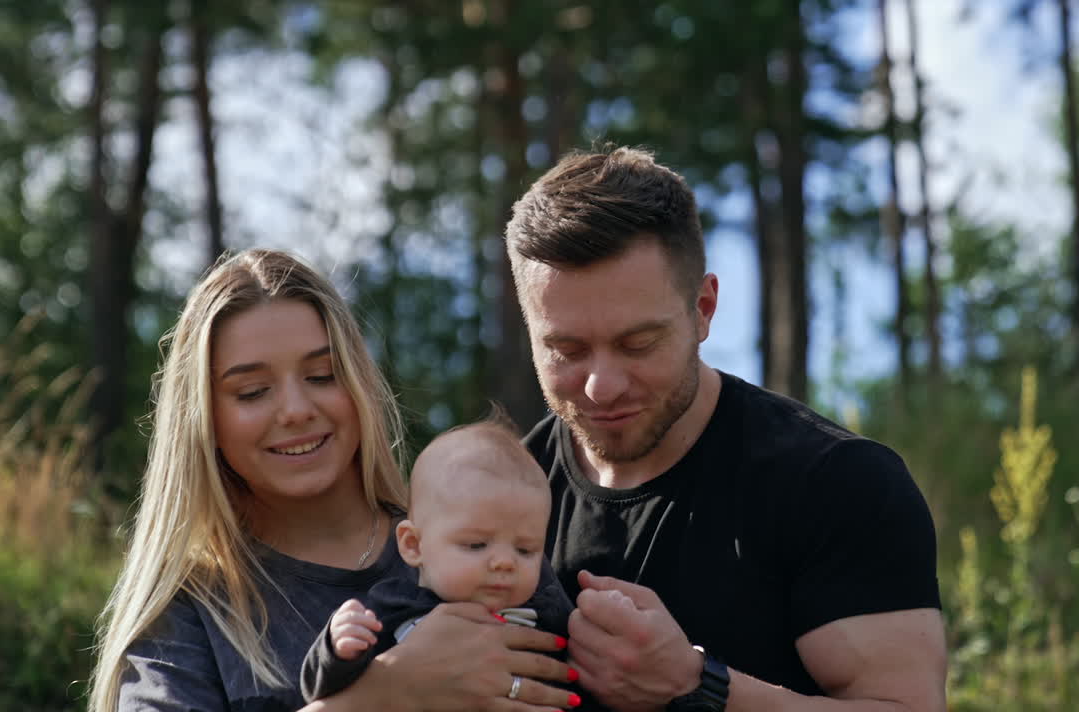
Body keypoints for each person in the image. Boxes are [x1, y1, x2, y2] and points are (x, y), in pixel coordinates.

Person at [504, 146, 948, 712]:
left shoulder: (837, 485)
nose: (602, 386)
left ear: (704, 309)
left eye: (638, 344)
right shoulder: (503, 492)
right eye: (566, 350)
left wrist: (698, 686)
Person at [87, 249, 576, 712]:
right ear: (204, 420)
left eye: (322, 376)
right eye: (253, 391)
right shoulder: (188, 611)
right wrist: (385, 694)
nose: (297, 410)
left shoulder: (479, 538)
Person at [300, 417, 584, 710]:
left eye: (525, 550)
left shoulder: (546, 609)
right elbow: (320, 692)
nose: (504, 562)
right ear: (413, 545)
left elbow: (588, 673)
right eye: (476, 545)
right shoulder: (392, 607)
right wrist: (337, 649)